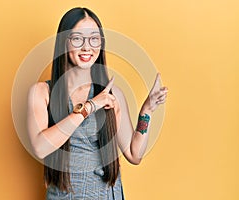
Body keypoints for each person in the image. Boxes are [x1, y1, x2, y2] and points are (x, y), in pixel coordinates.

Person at [27, 7, 168, 200]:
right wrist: (91, 106)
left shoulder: (112, 95)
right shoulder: (43, 92)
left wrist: (148, 110)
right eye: (77, 38)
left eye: (94, 39)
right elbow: (40, 147)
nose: (87, 47)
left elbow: (134, 154)